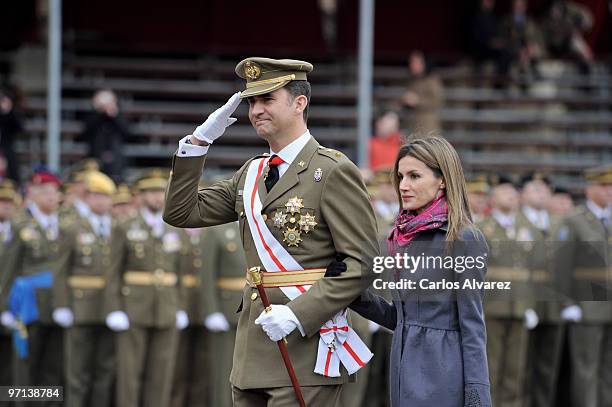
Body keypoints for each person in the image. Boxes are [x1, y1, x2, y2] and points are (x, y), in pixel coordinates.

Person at [163, 57, 379, 406]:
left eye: (267, 100)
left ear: (299, 103)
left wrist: (298, 313)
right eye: (252, 102)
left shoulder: (332, 171)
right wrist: (198, 142)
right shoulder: (251, 173)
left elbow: (362, 264)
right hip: (252, 351)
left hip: (305, 348)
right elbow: (180, 212)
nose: (256, 110)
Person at [349, 137, 491, 406]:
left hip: (444, 377)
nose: (403, 186)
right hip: (404, 372)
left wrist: (477, 396)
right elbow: (402, 319)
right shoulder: (402, 236)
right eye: (401, 176)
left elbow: (473, 326)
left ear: (443, 180)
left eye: (414, 176)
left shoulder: (464, 239)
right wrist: (354, 294)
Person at [105, 169, 189, 407]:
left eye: (161, 192)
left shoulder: (174, 226)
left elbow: (180, 272)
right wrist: (114, 308)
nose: (157, 197)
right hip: (134, 306)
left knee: (162, 372)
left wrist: (180, 306)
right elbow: (113, 271)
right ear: (140, 196)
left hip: (166, 306)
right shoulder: (125, 225)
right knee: (130, 372)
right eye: (151, 192)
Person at [52, 171, 117, 407]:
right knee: (77, 371)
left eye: (105, 197)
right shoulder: (72, 227)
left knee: (104, 369)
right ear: (87, 198)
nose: (101, 201)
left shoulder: (118, 227)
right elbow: (60, 270)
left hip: (110, 307)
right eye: (96, 196)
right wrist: (61, 305)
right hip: (79, 306)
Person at [0, 170, 64, 404]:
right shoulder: (19, 225)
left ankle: (48, 403)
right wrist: (4, 307)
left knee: (53, 365)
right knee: (26, 364)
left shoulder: (64, 223)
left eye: (54, 191)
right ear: (32, 195)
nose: (50, 196)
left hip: (57, 302)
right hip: (28, 305)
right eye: (44, 192)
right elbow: (8, 269)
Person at [551, 164, 612, 407]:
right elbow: (561, 265)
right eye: (604, 186)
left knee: (609, 370)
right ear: (589, 189)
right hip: (587, 306)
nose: (609, 191)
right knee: (586, 369)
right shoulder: (575, 221)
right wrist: (567, 302)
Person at [200, 222, 247, 407]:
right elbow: (207, 274)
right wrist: (211, 310)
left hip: (256, 310)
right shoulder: (216, 230)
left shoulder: (257, 225)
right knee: (224, 371)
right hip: (227, 312)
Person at [80, 89, 129, 181]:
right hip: (95, 156)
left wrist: (114, 115)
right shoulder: (92, 116)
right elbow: (86, 133)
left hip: (116, 159)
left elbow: (126, 133)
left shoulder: (119, 116)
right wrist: (99, 113)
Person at [0, 179, 20, 386]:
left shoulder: (20, 231)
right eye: (1, 201)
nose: (5, 205)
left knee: (11, 366)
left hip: (13, 305)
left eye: (9, 202)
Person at [399, 51, 444, 135]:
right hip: (413, 126)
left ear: (423, 63)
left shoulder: (432, 80)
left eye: (415, 62)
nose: (412, 65)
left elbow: (437, 101)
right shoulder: (412, 80)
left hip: (428, 127)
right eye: (411, 62)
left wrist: (417, 101)